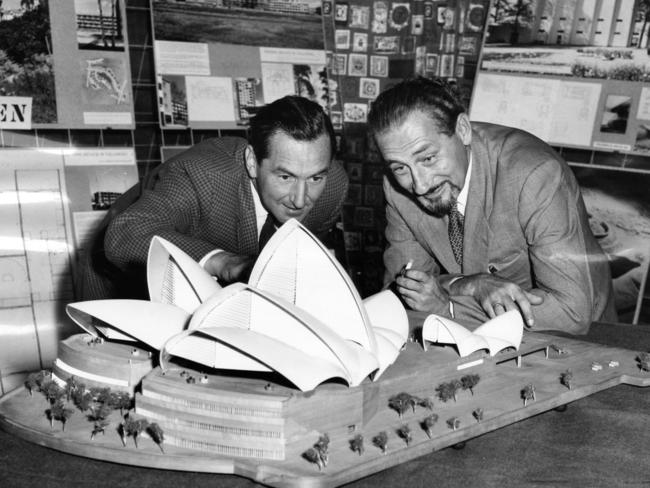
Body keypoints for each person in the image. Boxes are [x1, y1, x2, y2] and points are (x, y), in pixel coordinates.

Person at [367, 77, 616, 334]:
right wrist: (469, 285)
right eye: (400, 167)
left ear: (463, 130)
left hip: (582, 337)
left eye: (428, 158)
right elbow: (402, 296)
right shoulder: (397, 189)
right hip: (480, 338)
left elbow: (570, 314)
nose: (419, 186)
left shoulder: (533, 175)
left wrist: (449, 308)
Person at [81, 95, 348, 300]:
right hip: (122, 276)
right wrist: (225, 262)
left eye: (315, 178)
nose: (300, 200)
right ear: (253, 162)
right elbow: (126, 233)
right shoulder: (203, 177)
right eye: (285, 177)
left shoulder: (333, 188)